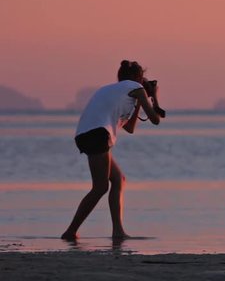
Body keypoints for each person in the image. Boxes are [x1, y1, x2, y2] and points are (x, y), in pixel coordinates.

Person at [61, 60, 162, 240]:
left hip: (87, 134)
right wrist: (152, 97)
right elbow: (156, 119)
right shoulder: (135, 87)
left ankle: (118, 232)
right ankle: (70, 231)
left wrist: (140, 101)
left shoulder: (113, 89)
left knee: (118, 179)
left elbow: (130, 128)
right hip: (98, 135)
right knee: (100, 187)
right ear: (138, 78)